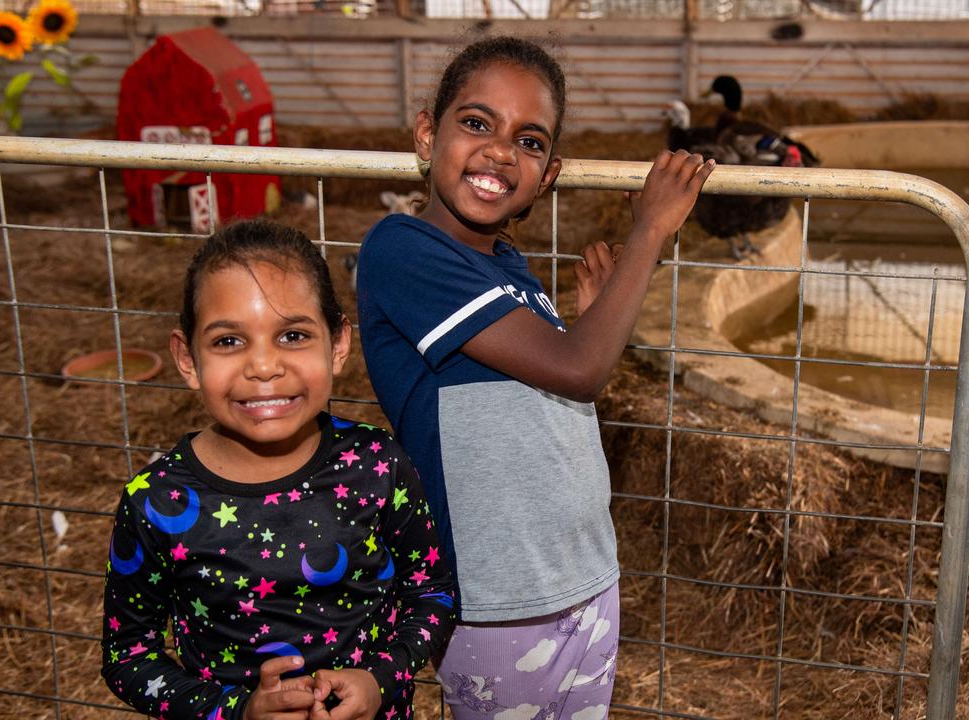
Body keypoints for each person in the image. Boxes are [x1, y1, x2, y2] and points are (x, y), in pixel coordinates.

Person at [356, 36, 713, 719]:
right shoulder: (402, 250)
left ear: (547, 176)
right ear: (428, 136)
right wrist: (650, 230)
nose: (499, 151)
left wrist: (598, 316)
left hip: (583, 580)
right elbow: (579, 370)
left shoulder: (512, 271)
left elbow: (564, 391)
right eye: (476, 123)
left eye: (530, 140)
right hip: (499, 602)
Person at [101, 218, 455, 720]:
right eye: (228, 341)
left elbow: (432, 591)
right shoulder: (157, 502)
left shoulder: (378, 466)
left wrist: (381, 678)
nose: (264, 367)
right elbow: (127, 655)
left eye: (292, 335)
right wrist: (233, 711)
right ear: (187, 358)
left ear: (337, 345)